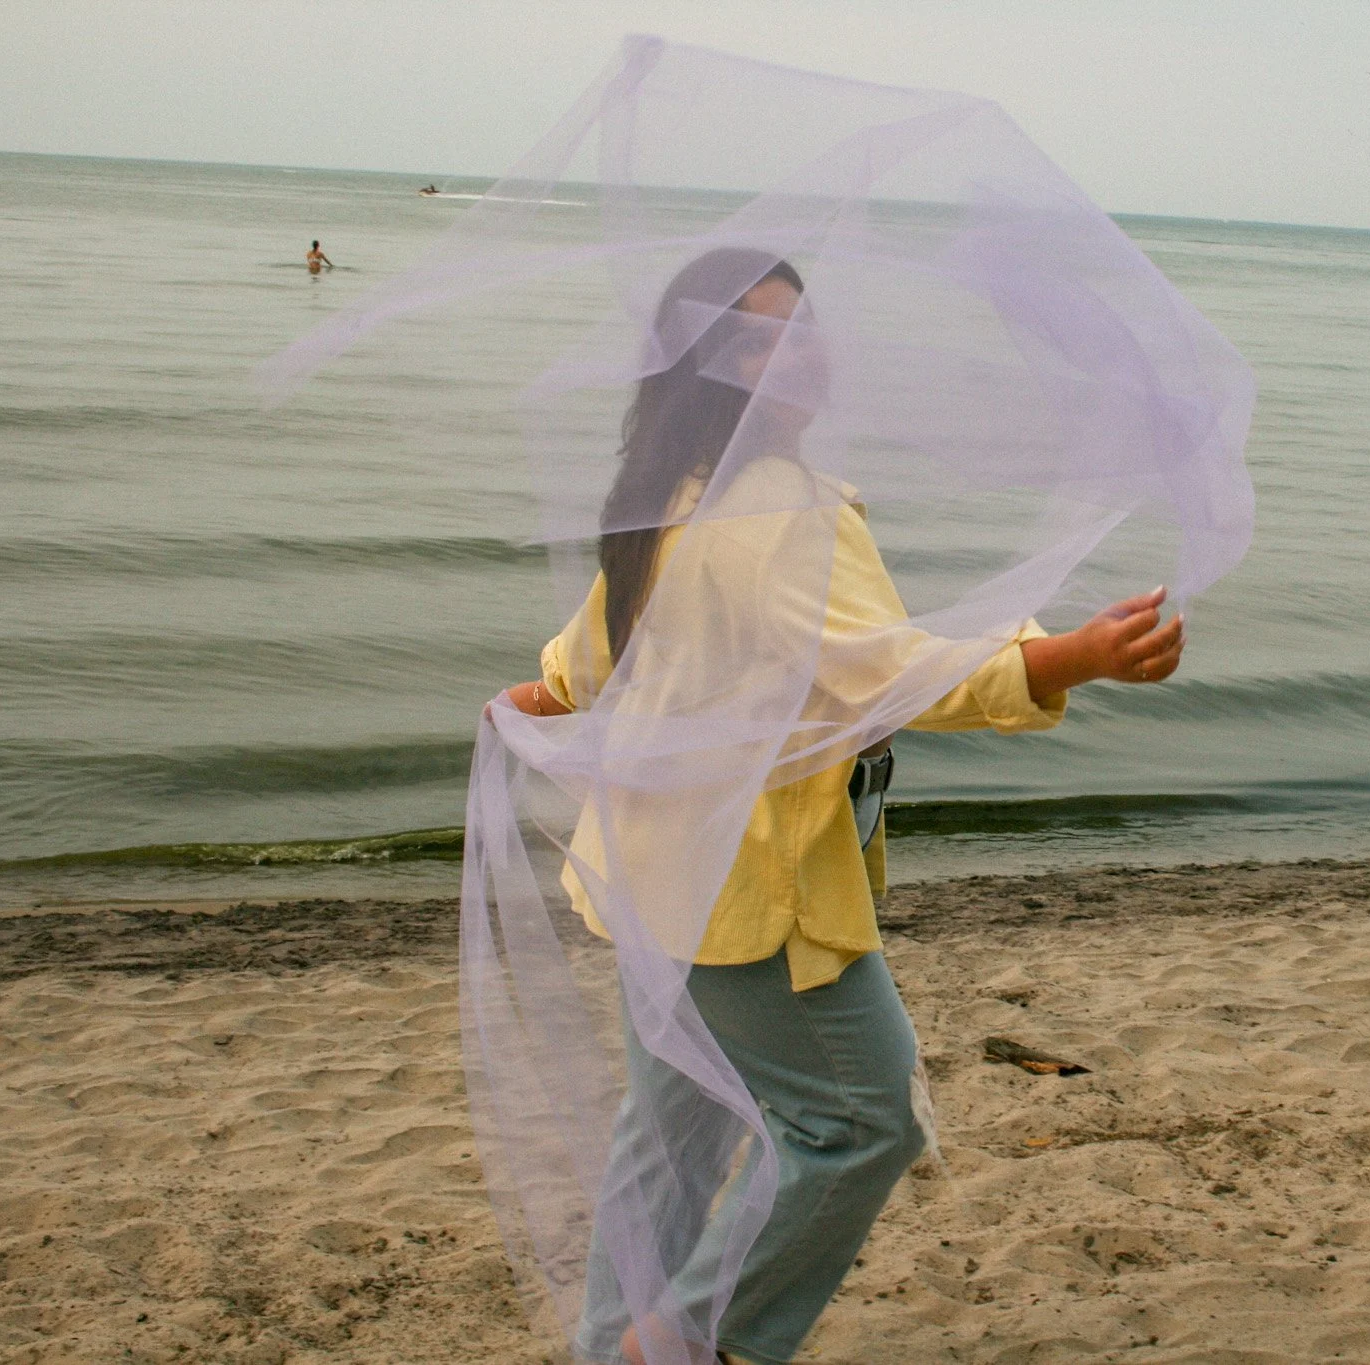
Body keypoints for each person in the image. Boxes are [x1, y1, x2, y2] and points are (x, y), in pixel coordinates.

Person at [491, 249, 1187, 1365]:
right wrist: (1073, 657)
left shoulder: (670, 493)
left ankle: (619, 1346)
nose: (798, 351)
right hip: (745, 891)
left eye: (803, 326)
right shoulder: (782, 506)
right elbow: (886, 674)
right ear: (712, 366)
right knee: (862, 1119)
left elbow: (595, 654)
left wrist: (535, 700)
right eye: (760, 336)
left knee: (669, 1142)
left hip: (652, 873)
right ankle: (686, 1343)